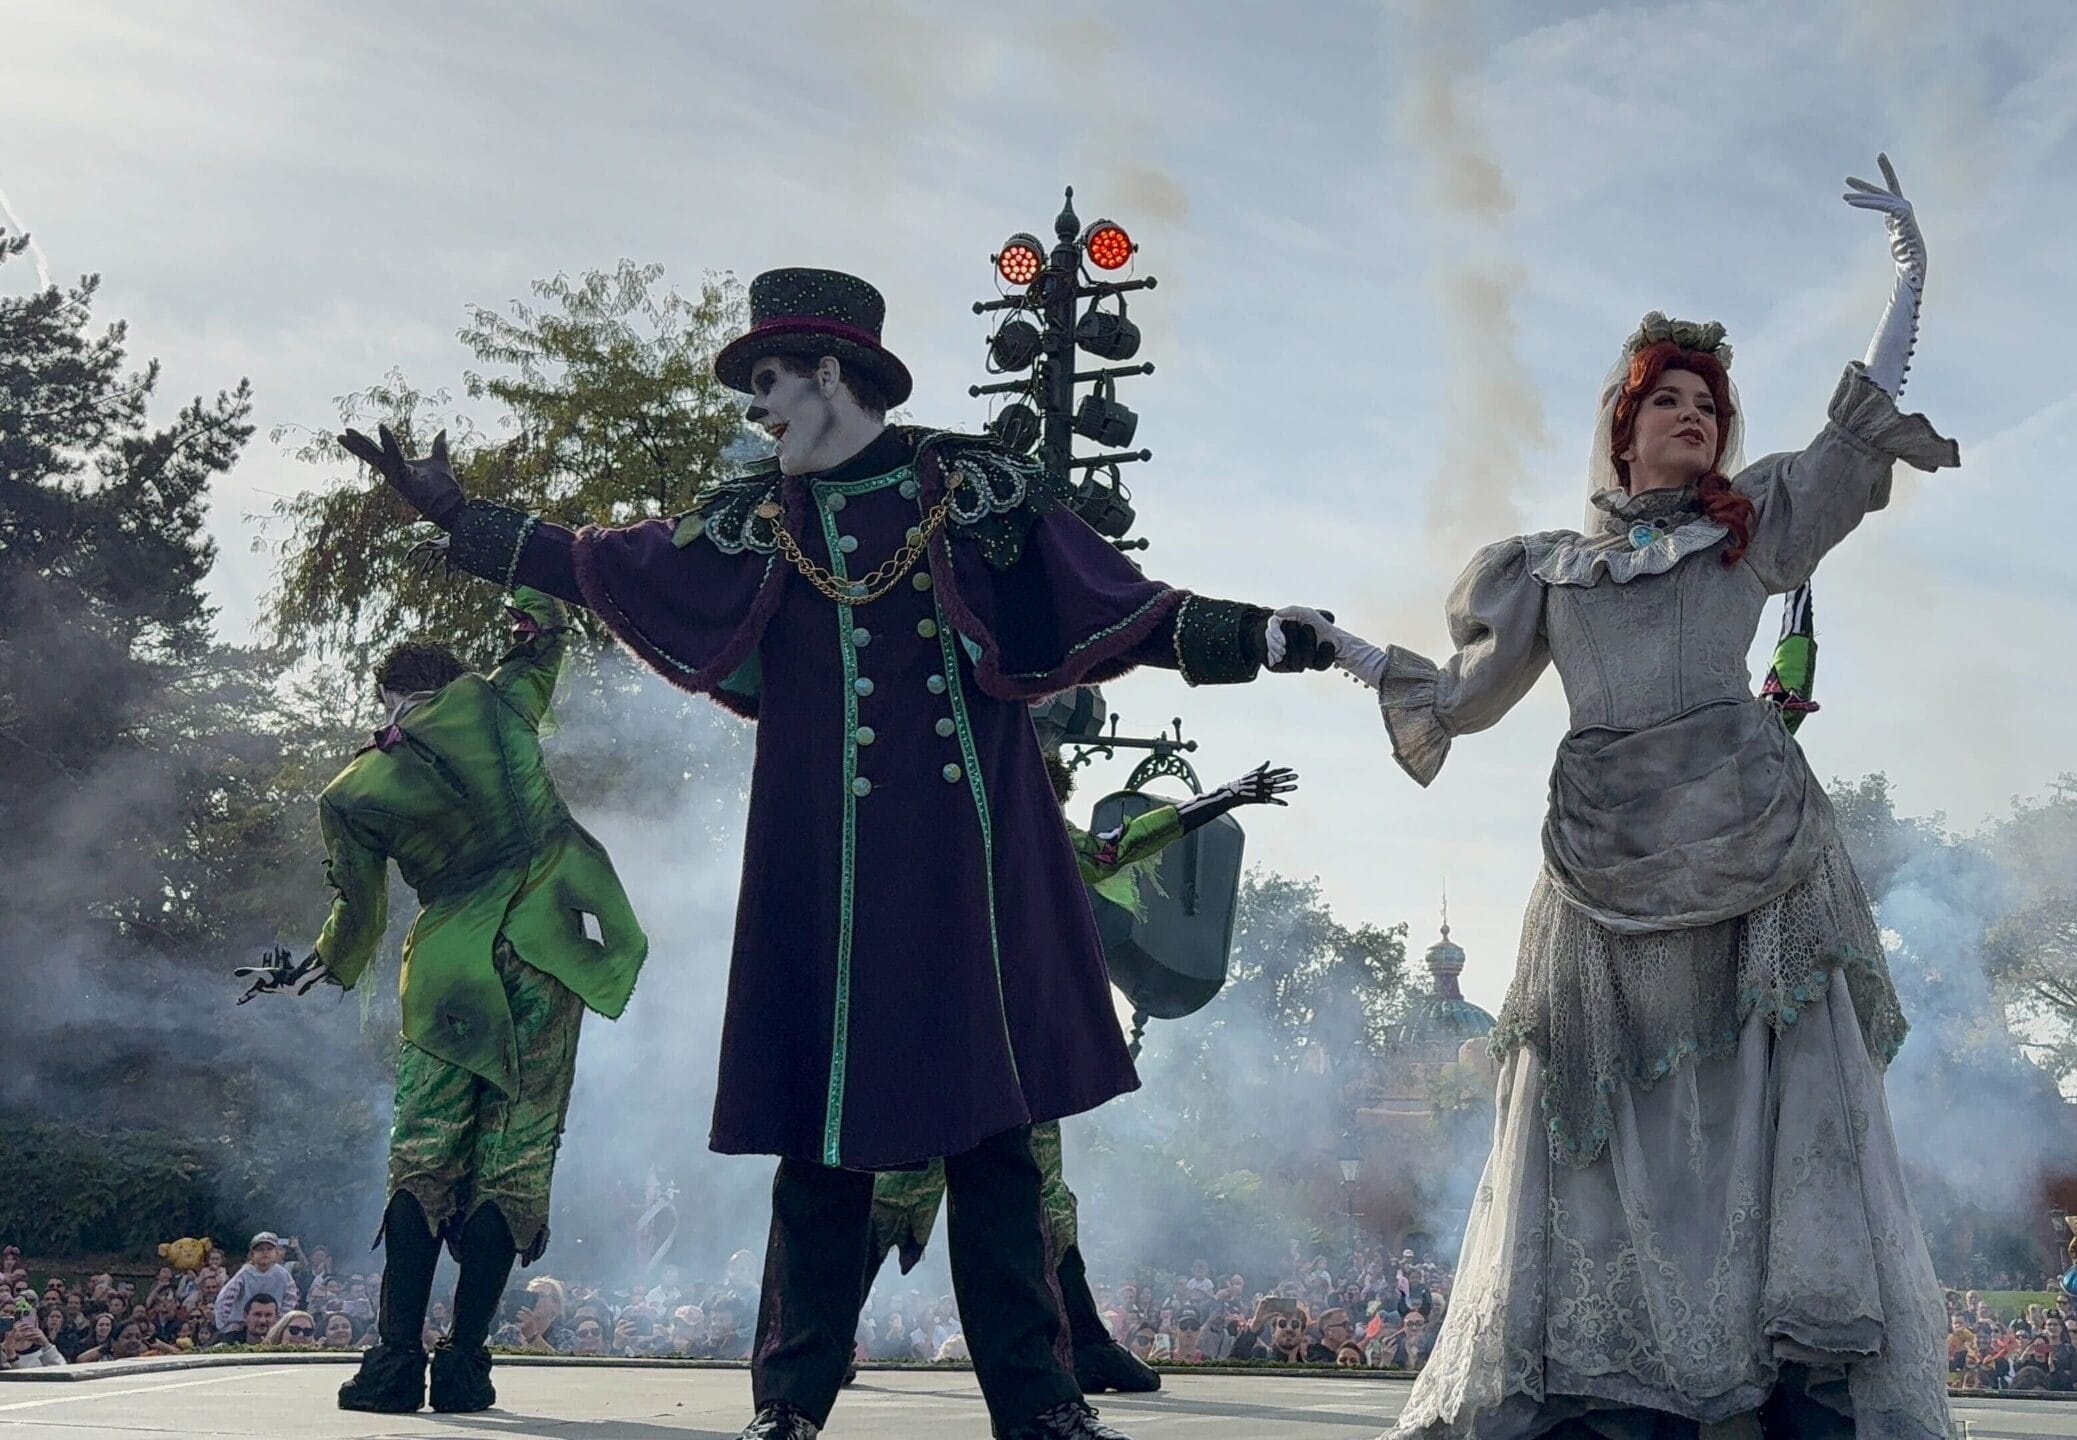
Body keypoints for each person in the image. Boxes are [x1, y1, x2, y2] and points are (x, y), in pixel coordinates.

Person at [339, 266, 1336, 1440]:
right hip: (830, 878)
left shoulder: (975, 490)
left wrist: (1260, 635)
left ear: (831, 373)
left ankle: (1041, 1404)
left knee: (997, 1147)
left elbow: (1116, 603)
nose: (757, 409)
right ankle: (792, 1402)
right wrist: (466, 521)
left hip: (969, 873)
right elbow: (608, 562)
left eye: (769, 380)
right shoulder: (758, 519)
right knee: (823, 1149)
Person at [1307, 156, 1957, 1440]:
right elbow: (1464, 698)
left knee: (1766, 1114)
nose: (1695, 417)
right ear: (1620, 423)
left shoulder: (1751, 529)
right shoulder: (1544, 570)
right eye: (1669, 400)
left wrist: (1910, 280)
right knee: (1606, 1128)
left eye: (1709, 403)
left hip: (1753, 848)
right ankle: (1620, 1381)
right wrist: (1342, 649)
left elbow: (1851, 427)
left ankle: (1785, 1377)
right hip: (1601, 869)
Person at [249, 586, 648, 1418]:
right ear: (452, 677)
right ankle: (466, 1364)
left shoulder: (351, 791)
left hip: (450, 971)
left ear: (389, 696)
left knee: (424, 1157)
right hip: (551, 952)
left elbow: (358, 914)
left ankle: (394, 1364)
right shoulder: (499, 702)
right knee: (516, 1160)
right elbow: (546, 631)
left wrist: (321, 963)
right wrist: (505, 564)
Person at [855, 749, 1300, 1395]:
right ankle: (835, 1340)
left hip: (1008, 1055)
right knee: (908, 1191)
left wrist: (1223, 797)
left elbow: (1115, 848)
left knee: (1037, 1202)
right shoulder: (938, 834)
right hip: (946, 1051)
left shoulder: (1030, 835)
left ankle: (1085, 1345)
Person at [212, 1233, 301, 1333]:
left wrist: (280, 1321)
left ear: (276, 1253)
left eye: (269, 1249)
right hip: (243, 1327)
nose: (265, 1252)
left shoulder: (283, 1274)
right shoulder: (245, 1273)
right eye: (260, 1249)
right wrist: (225, 1325)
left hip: (272, 1327)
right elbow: (225, 1298)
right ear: (252, 1254)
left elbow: (291, 1299)